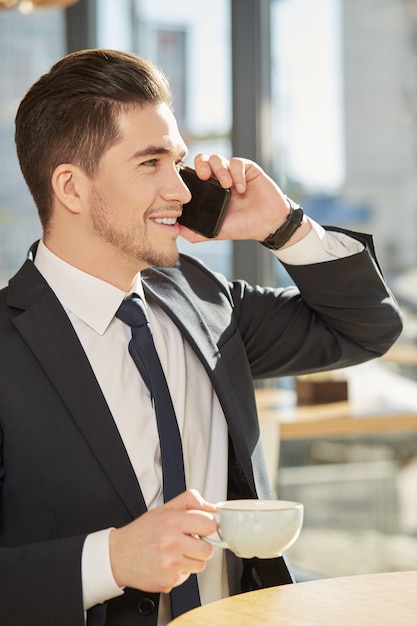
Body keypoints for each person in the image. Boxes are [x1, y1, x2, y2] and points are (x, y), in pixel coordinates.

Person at [0, 48, 402, 626]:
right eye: (150, 163)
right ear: (71, 188)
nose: (183, 190)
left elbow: (367, 327)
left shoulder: (202, 298)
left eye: (179, 161)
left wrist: (283, 226)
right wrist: (109, 561)